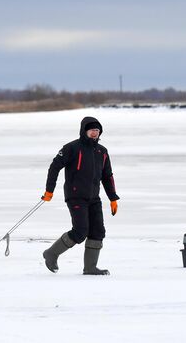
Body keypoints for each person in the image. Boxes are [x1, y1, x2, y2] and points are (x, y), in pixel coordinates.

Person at [41, 116, 119, 275]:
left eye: (97, 130)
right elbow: (54, 167)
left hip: (94, 198)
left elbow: (107, 176)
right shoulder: (72, 148)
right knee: (80, 231)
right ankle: (51, 253)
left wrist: (113, 198)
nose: (94, 133)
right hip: (76, 196)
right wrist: (50, 190)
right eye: (92, 130)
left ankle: (90, 268)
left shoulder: (102, 152)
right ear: (84, 131)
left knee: (97, 232)